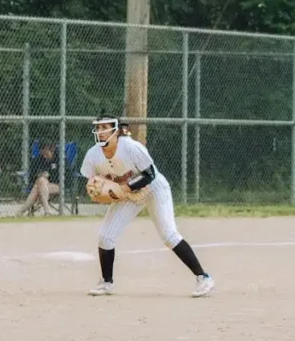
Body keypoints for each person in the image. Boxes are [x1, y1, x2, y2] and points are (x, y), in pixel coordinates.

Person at [79, 114, 215, 298]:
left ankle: (204, 278)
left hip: (153, 188)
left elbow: (149, 174)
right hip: (127, 195)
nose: (101, 132)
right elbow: (94, 182)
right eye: (98, 128)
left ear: (116, 131)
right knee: (105, 236)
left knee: (169, 235)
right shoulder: (93, 154)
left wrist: (122, 188)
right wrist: (97, 192)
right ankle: (106, 283)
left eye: (105, 127)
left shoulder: (131, 147)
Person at [16, 140, 61, 216]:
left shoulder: (59, 159)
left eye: (46, 153)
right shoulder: (38, 160)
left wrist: (49, 175)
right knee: (41, 182)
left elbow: (66, 176)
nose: (44, 156)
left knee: (40, 184)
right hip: (42, 185)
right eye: (42, 153)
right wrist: (39, 175)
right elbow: (32, 176)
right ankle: (47, 211)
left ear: (52, 150)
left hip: (58, 185)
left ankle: (20, 212)